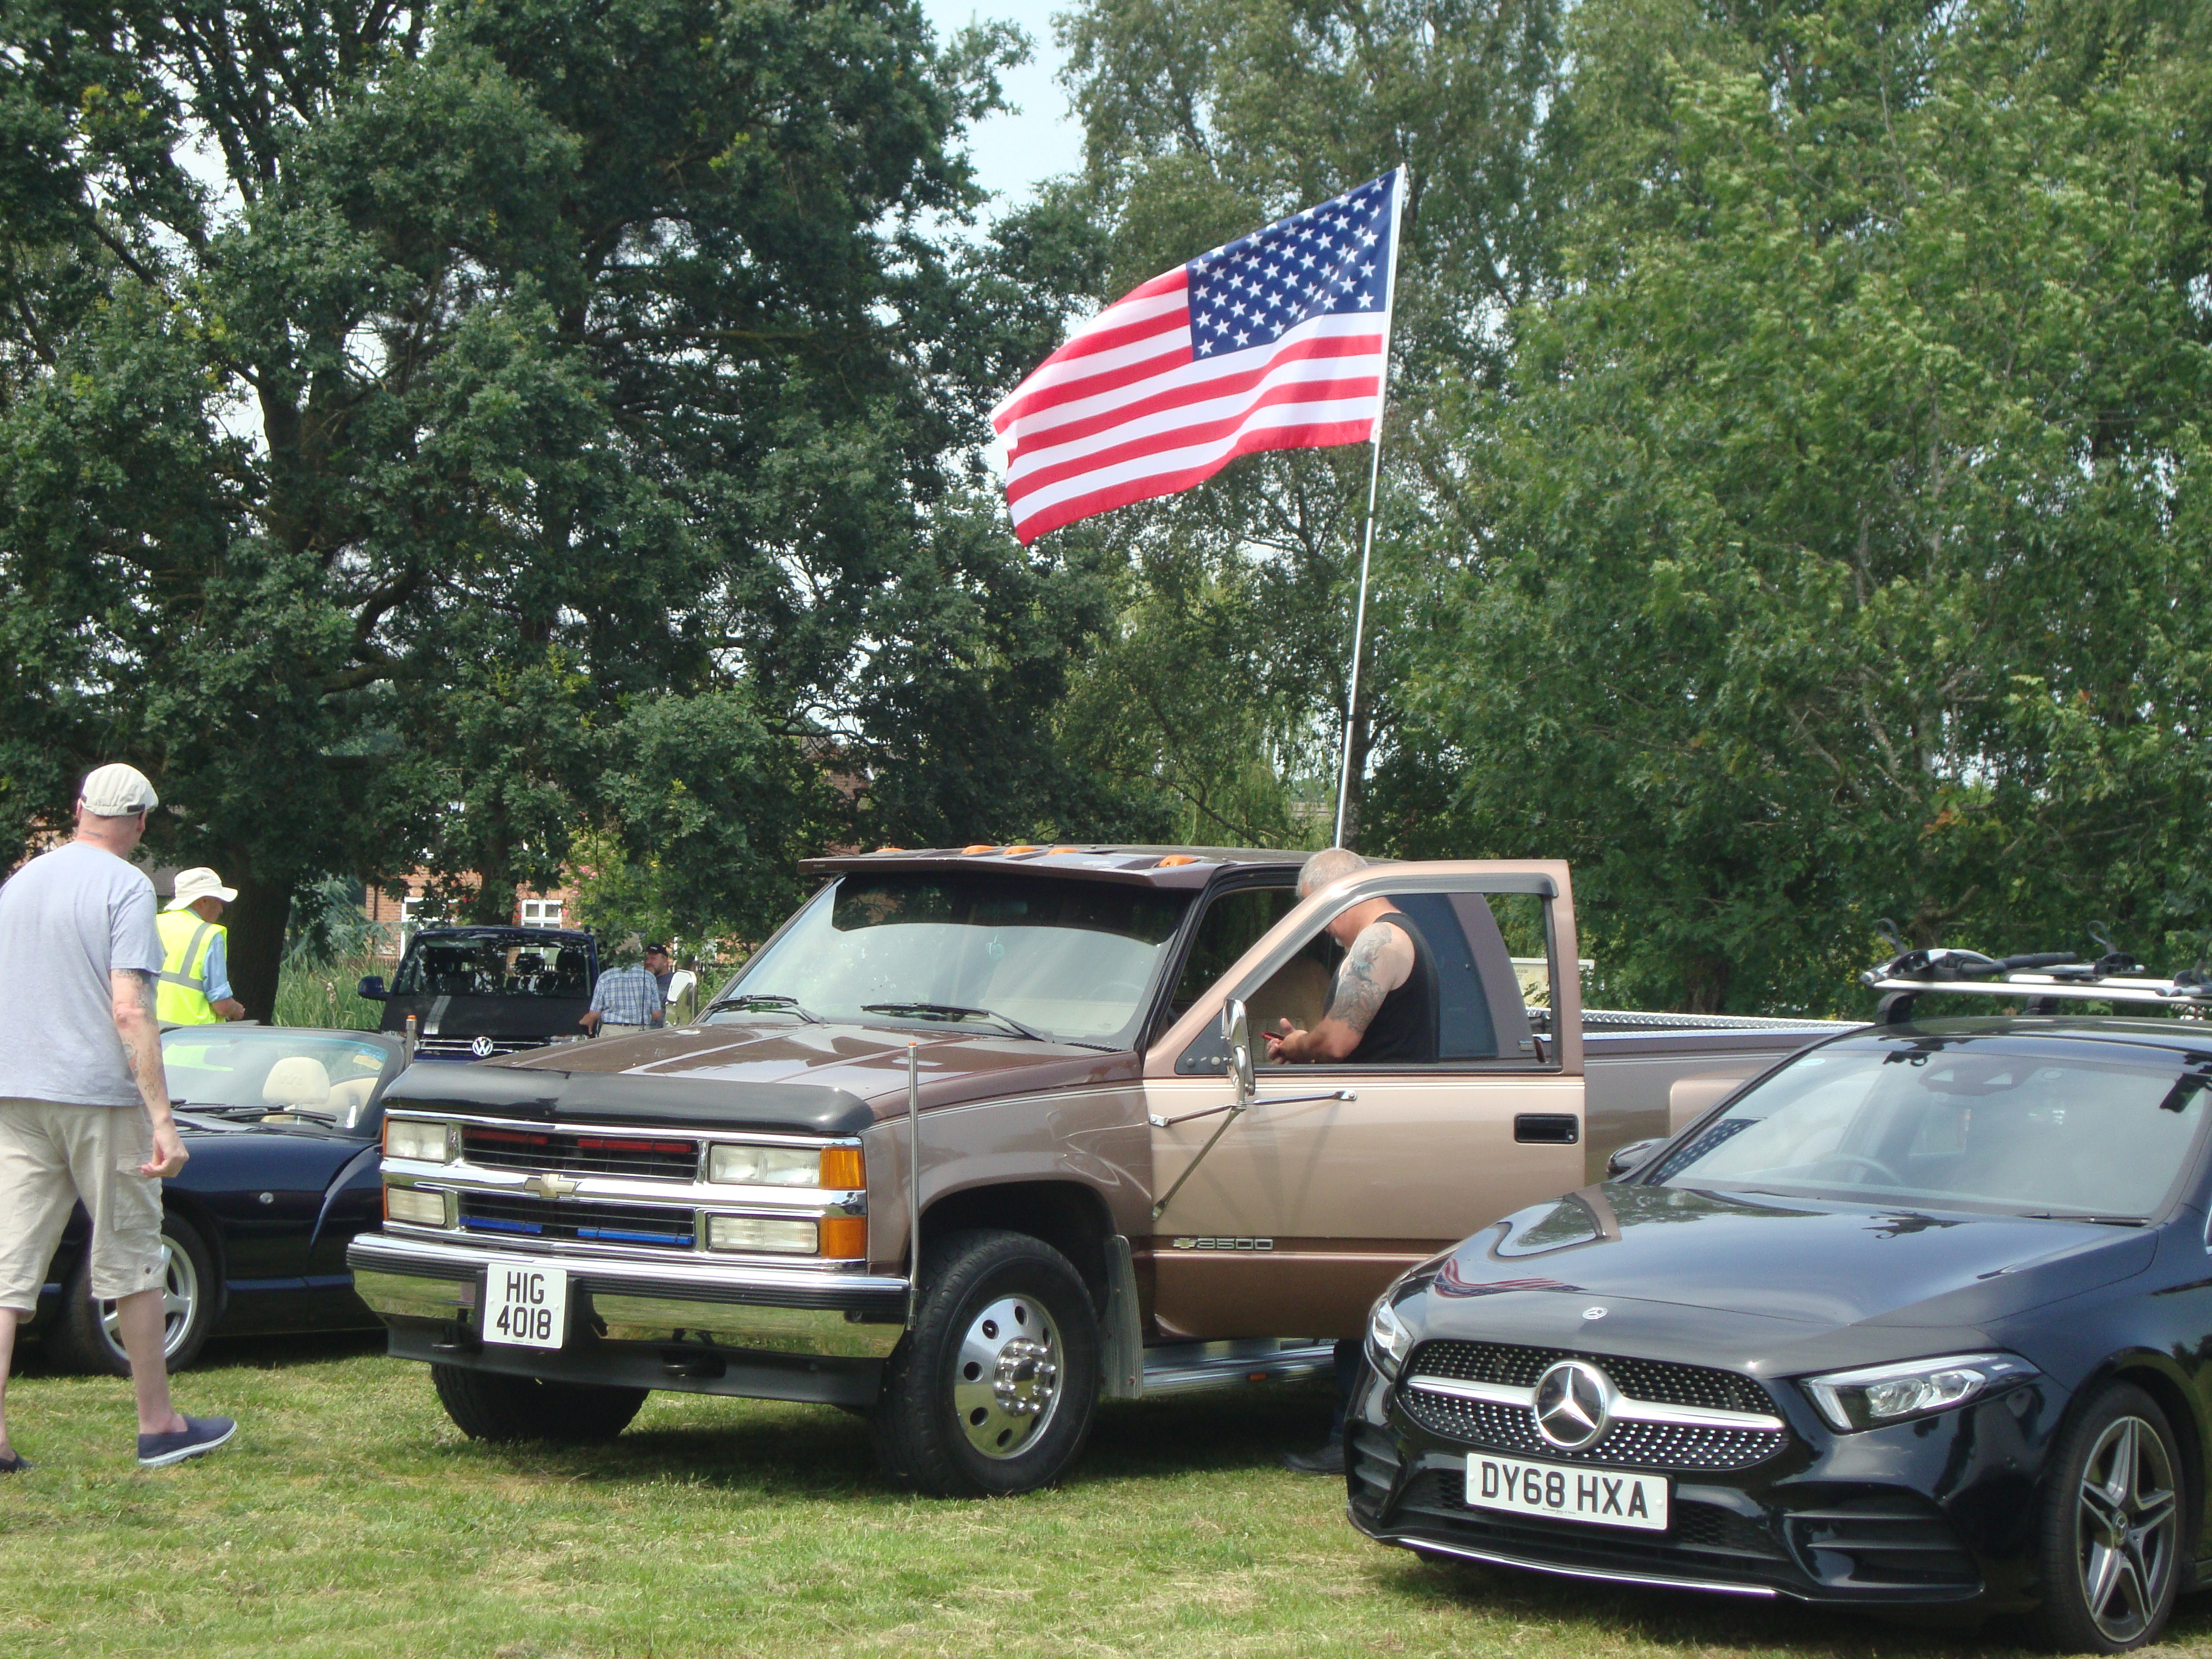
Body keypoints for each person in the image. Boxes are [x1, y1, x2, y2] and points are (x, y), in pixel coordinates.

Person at [0, 764, 237, 1472]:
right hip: (99, 1095)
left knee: (7, 1269)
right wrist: (163, 1120)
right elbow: (129, 1005)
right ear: (138, 822)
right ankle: (159, 1424)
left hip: (16, 1093)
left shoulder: (20, 881)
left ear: (79, 810)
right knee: (132, 1254)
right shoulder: (128, 886)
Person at [1262, 847, 1439, 1477]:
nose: (1319, 927)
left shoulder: (1376, 943)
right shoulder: (1406, 935)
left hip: (1379, 1135)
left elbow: (1337, 1041)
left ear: (1332, 896)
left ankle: (1353, 1435)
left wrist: (1297, 1044)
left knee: (1361, 1296)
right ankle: (1358, 1430)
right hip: (1393, 1131)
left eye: (1315, 911)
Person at [155, 867, 246, 1024]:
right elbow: (222, 1006)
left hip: (150, 1031)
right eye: (218, 901)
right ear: (203, 902)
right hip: (193, 1038)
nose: (221, 909)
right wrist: (236, 1010)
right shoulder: (209, 934)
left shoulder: (153, 923)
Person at [580, 935, 665, 1036]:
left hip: (611, 1032)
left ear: (617, 953)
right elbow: (657, 1014)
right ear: (638, 953)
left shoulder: (606, 977)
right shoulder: (649, 977)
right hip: (641, 1032)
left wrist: (612, 1015)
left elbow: (594, 1013)